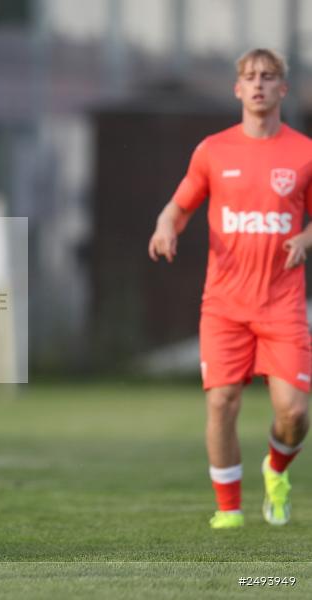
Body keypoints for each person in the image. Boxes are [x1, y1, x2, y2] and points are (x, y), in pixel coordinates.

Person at [148, 48, 312, 529]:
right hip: (224, 305)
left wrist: (304, 236)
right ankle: (229, 509)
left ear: (283, 89)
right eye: (249, 77)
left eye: (268, 77)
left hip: (282, 306)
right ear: (237, 89)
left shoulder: (303, 152)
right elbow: (177, 207)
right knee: (221, 401)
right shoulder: (213, 151)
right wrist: (166, 229)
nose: (258, 84)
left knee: (295, 412)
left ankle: (276, 470)